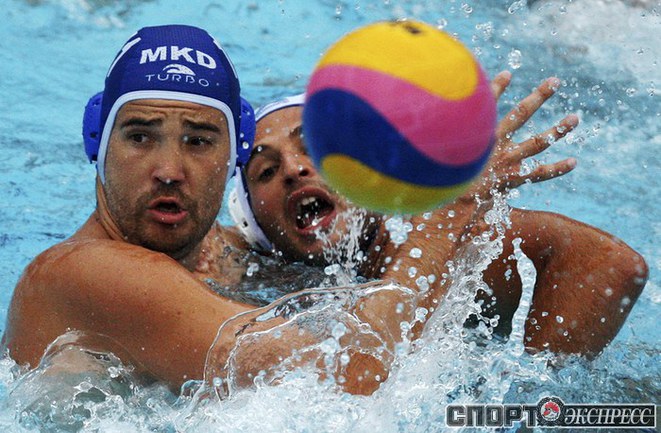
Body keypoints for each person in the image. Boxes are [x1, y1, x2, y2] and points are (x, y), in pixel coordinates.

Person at [1, 24, 487, 397]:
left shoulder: (237, 259)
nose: (169, 170)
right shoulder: (78, 272)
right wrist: (449, 214)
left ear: (233, 158)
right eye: (140, 136)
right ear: (97, 142)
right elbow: (348, 379)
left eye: (198, 141)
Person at [226, 72, 649, 356]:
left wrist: (534, 392)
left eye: (313, 147)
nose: (294, 169)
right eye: (266, 171)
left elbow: (611, 263)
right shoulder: (253, 279)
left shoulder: (445, 234)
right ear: (254, 224)